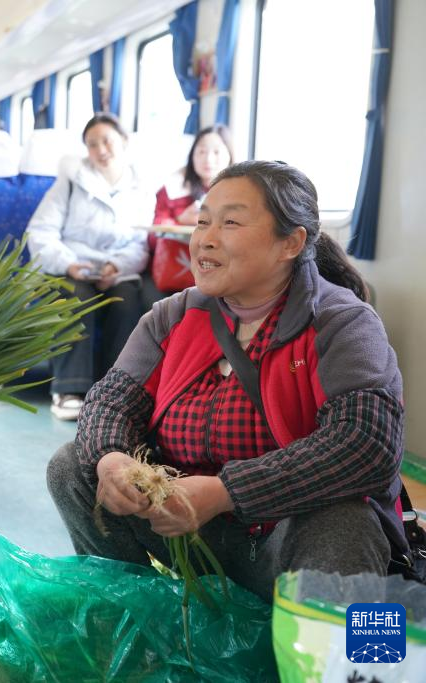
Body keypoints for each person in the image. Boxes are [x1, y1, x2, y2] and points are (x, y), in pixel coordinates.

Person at [47, 160, 405, 603]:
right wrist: (114, 462)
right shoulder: (173, 316)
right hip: (188, 529)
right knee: (73, 468)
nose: (205, 239)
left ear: (290, 243)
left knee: (345, 522)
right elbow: (110, 402)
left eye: (230, 222)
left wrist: (224, 493)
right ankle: (133, 626)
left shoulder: (342, 323)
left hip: (285, 544)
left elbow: (366, 444)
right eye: (202, 221)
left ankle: (355, 665)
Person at [24, 112, 154, 420]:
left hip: (115, 270)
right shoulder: (70, 182)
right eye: (92, 144)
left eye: (106, 140)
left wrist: (115, 266)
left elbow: (140, 244)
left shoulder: (142, 189)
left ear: (124, 141)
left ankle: (114, 388)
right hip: (69, 266)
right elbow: (40, 232)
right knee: (76, 296)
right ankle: (69, 389)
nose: (100, 150)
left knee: (128, 300)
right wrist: (69, 263)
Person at [142, 126, 235, 308]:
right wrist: (180, 221)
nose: (208, 159)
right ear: (192, 155)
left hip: (221, 273)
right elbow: (152, 239)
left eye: (216, 152)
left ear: (229, 155)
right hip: (171, 272)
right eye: (201, 151)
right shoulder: (172, 189)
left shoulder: (240, 194)